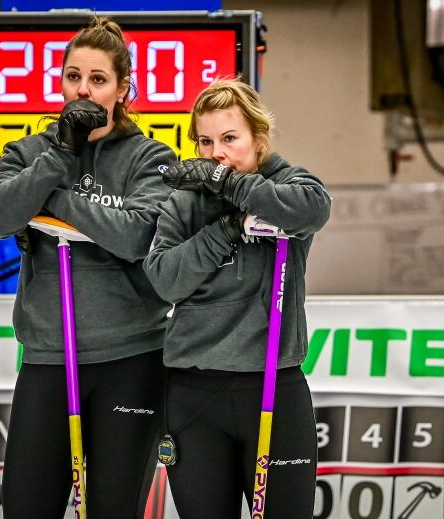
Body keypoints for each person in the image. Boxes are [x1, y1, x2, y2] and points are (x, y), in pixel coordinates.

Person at [0, 17, 176, 518]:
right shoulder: (28, 152)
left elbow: (135, 236)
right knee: (26, 507)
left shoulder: (149, 157)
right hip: (48, 359)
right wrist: (58, 157)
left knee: (113, 508)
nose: (82, 89)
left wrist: (53, 202)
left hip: (130, 359)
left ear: (123, 89)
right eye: (72, 76)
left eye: (99, 79)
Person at [143, 78, 331, 518]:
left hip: (273, 385)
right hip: (194, 390)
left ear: (258, 140)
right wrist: (226, 230)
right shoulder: (184, 202)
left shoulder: (287, 185)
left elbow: (313, 210)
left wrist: (229, 183)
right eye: (205, 142)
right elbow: (164, 281)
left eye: (230, 139)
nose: (216, 153)